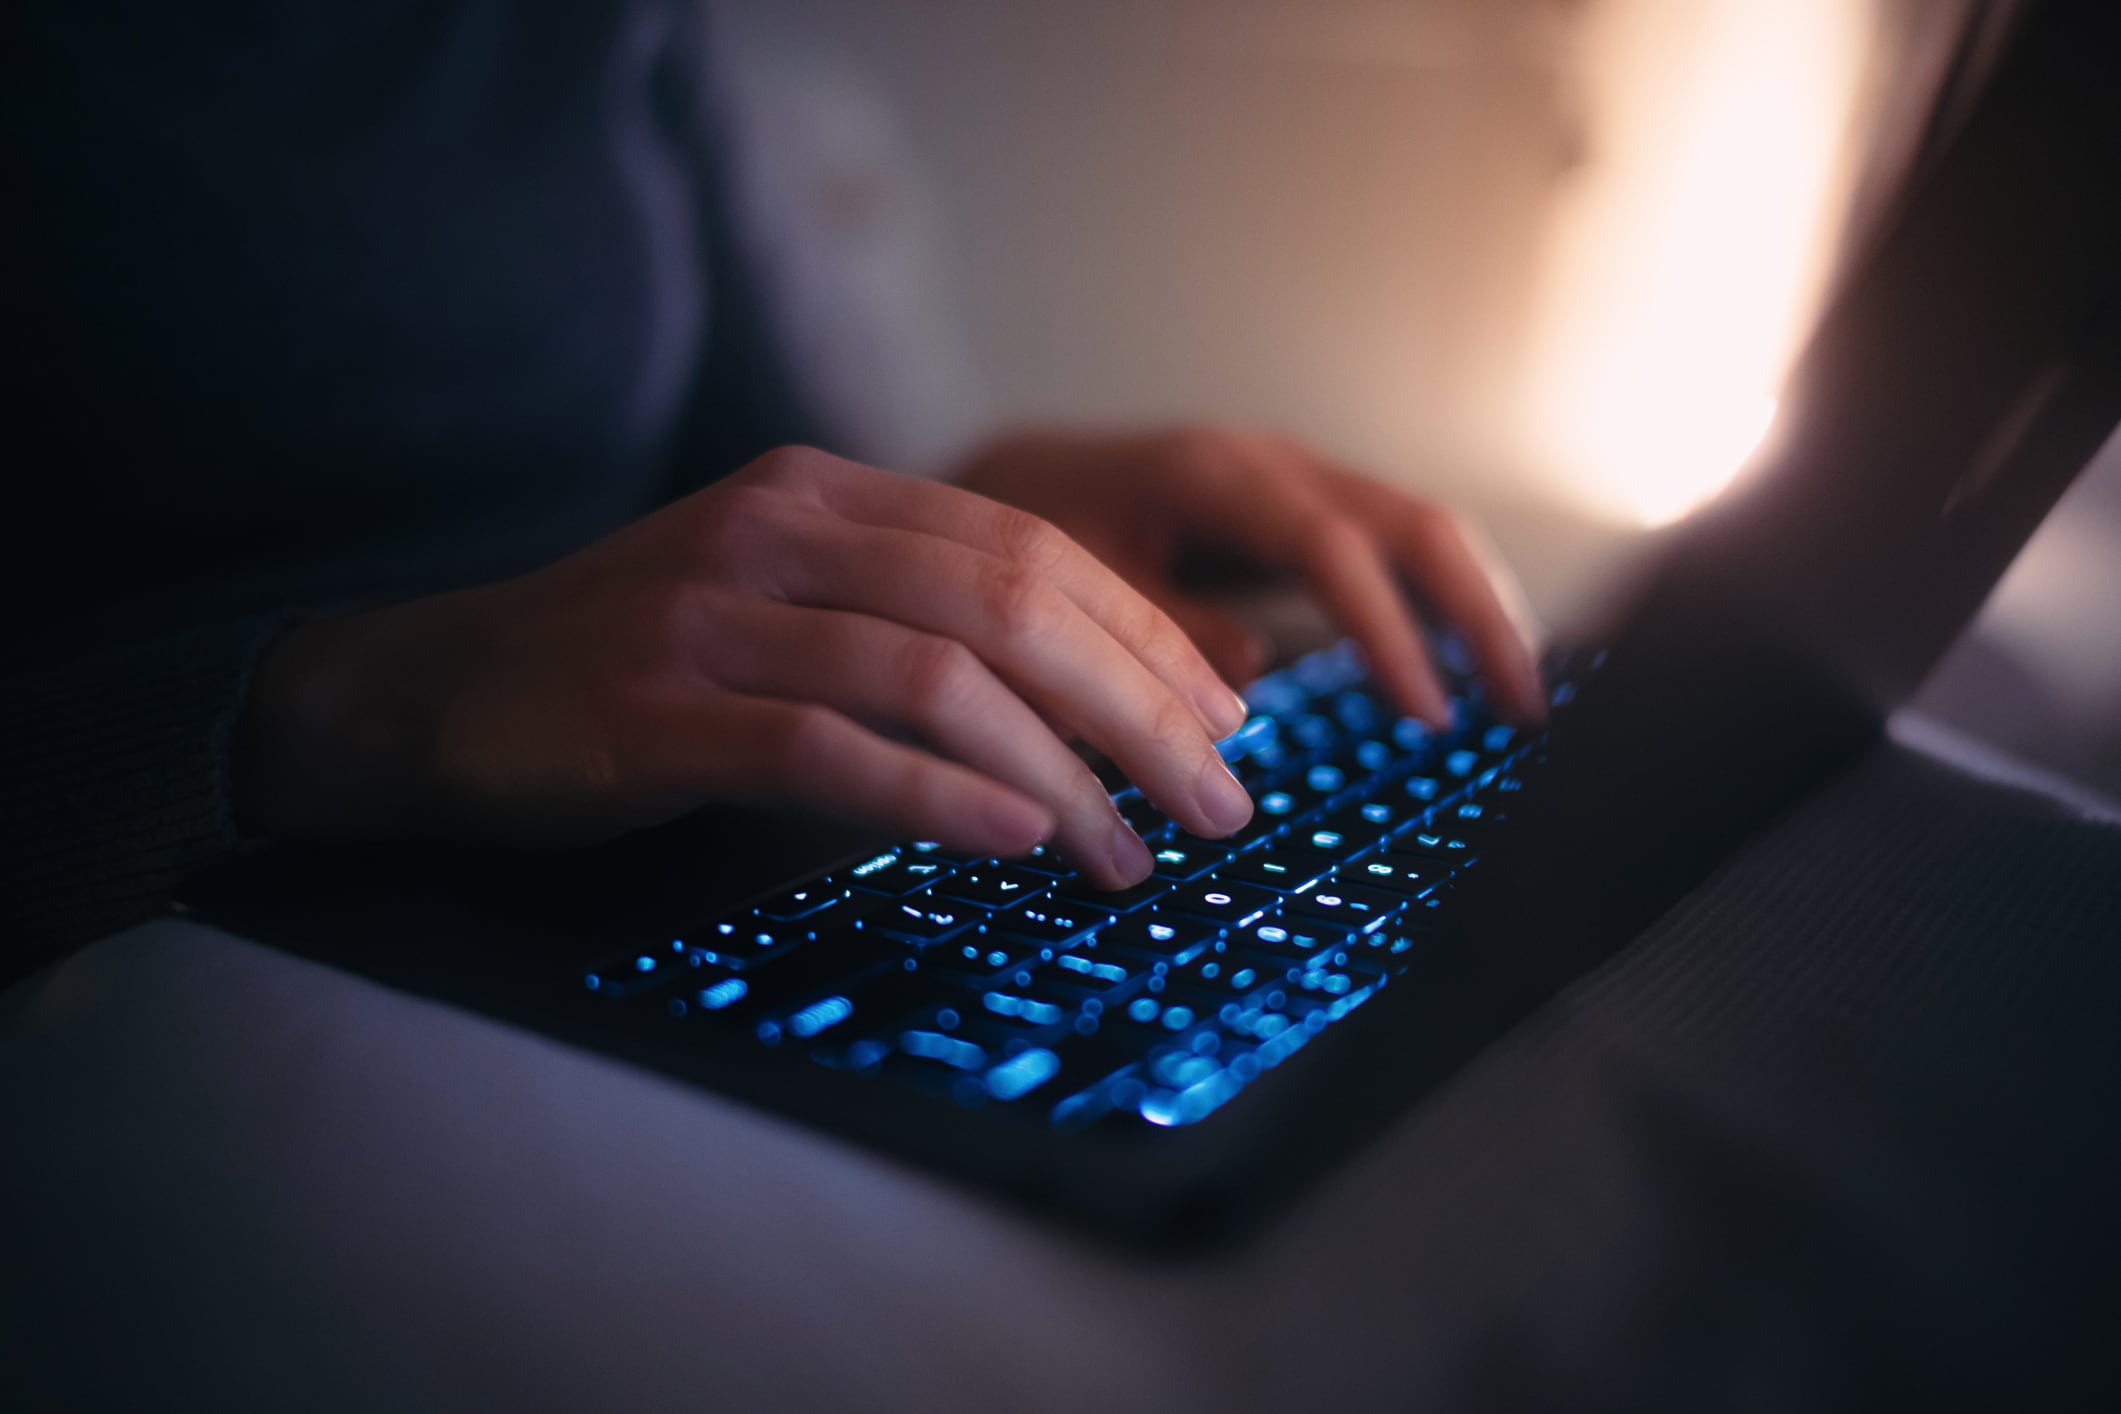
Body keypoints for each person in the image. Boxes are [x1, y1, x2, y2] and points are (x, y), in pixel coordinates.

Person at [0, 0, 1542, 980]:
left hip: (665, 901)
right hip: (158, 982)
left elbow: (760, 480)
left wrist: (981, 510)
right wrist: (340, 703)